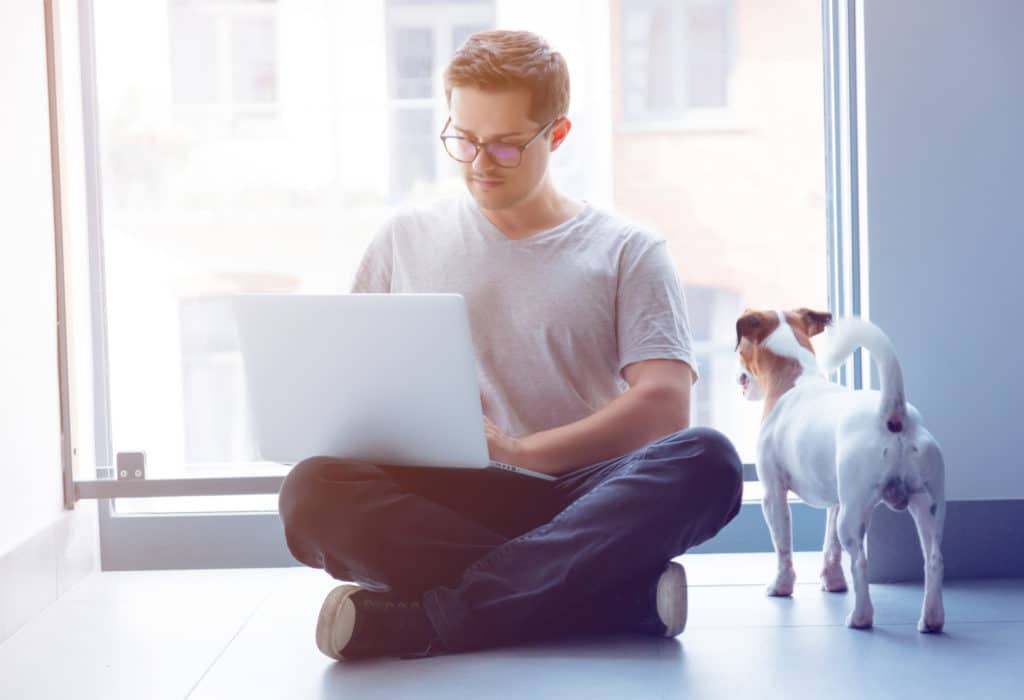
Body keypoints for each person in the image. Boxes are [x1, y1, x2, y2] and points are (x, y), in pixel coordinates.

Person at [278, 29, 743, 661]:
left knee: (708, 462)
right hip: (448, 499)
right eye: (463, 139)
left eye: (503, 145)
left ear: (556, 135)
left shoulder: (628, 248)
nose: (478, 163)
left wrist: (524, 451)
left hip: (583, 497)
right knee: (310, 493)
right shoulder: (403, 239)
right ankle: (610, 598)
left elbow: (665, 407)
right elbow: (352, 383)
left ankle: (430, 620)